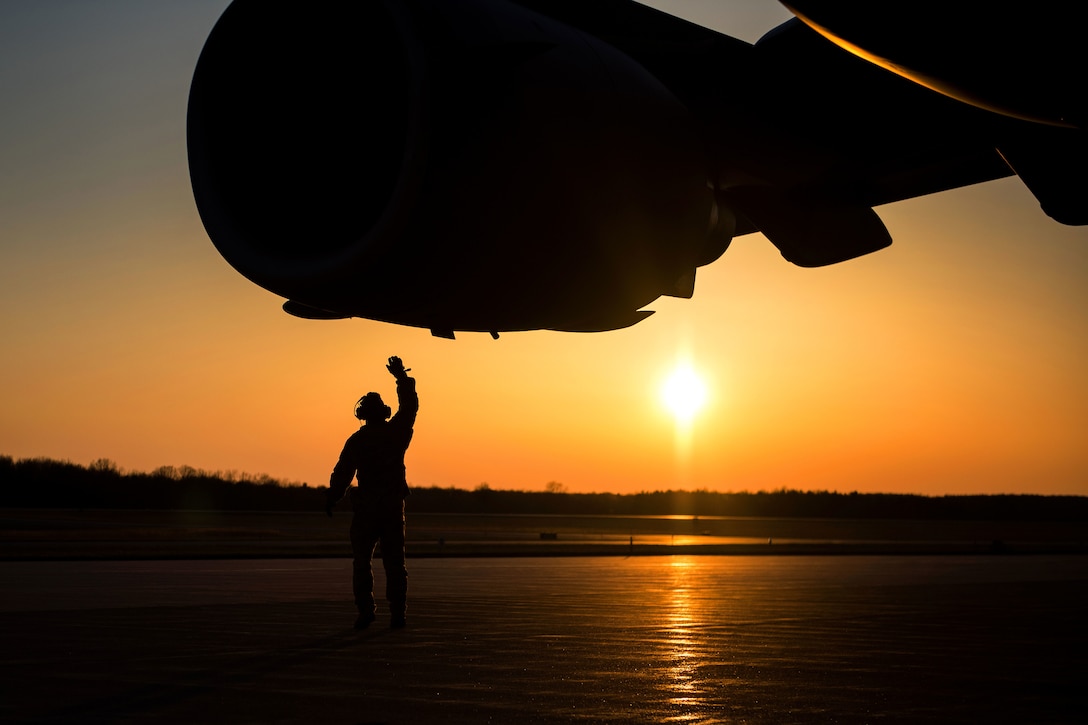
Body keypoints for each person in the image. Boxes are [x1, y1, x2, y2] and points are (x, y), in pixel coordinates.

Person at [326, 356, 418, 630]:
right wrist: (401, 378)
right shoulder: (396, 434)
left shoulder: (358, 440)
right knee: (395, 563)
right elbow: (410, 406)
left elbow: (343, 472)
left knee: (362, 563)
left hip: (367, 508)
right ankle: (398, 613)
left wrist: (333, 496)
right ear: (384, 412)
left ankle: (366, 611)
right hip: (391, 507)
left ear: (363, 414)